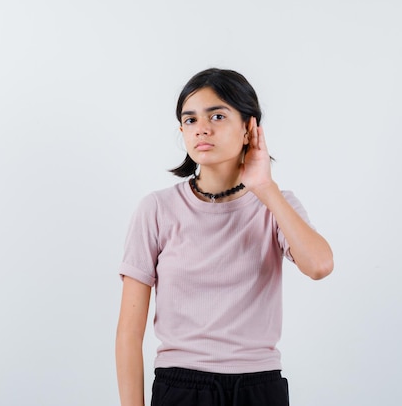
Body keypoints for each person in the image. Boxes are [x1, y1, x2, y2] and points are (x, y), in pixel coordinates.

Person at [115, 68, 334, 406]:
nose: (202, 128)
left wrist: (264, 187)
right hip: (180, 387)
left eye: (217, 115)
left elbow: (319, 265)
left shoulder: (276, 205)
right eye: (190, 120)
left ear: (250, 128)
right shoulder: (156, 209)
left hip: (258, 387)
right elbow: (129, 334)